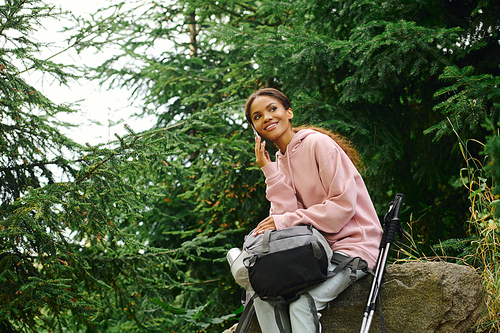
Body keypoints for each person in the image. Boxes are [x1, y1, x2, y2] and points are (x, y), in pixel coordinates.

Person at [244, 87, 383, 333]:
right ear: (255, 128)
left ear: (289, 112)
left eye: (272, 109)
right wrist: (268, 169)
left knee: (301, 303)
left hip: (352, 246)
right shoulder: (278, 161)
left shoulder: (317, 143)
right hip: (314, 252)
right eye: (257, 117)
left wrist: (286, 220)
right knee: (266, 299)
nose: (266, 117)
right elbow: (285, 220)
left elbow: (342, 207)